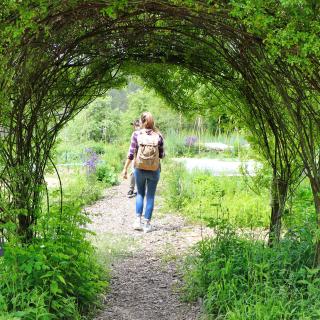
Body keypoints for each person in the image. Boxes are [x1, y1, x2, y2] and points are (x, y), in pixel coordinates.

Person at [122, 112, 165, 233]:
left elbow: (131, 154)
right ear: (153, 122)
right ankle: (147, 224)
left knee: (140, 194)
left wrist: (125, 169)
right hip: (154, 170)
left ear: (141, 122)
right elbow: (161, 155)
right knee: (150, 196)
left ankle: (137, 221)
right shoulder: (159, 136)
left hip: (139, 169)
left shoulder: (136, 134)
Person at [127, 119, 140, 198]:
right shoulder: (146, 133)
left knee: (133, 172)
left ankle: (131, 189)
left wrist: (125, 167)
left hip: (136, 157)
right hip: (145, 157)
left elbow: (132, 149)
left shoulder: (135, 134)